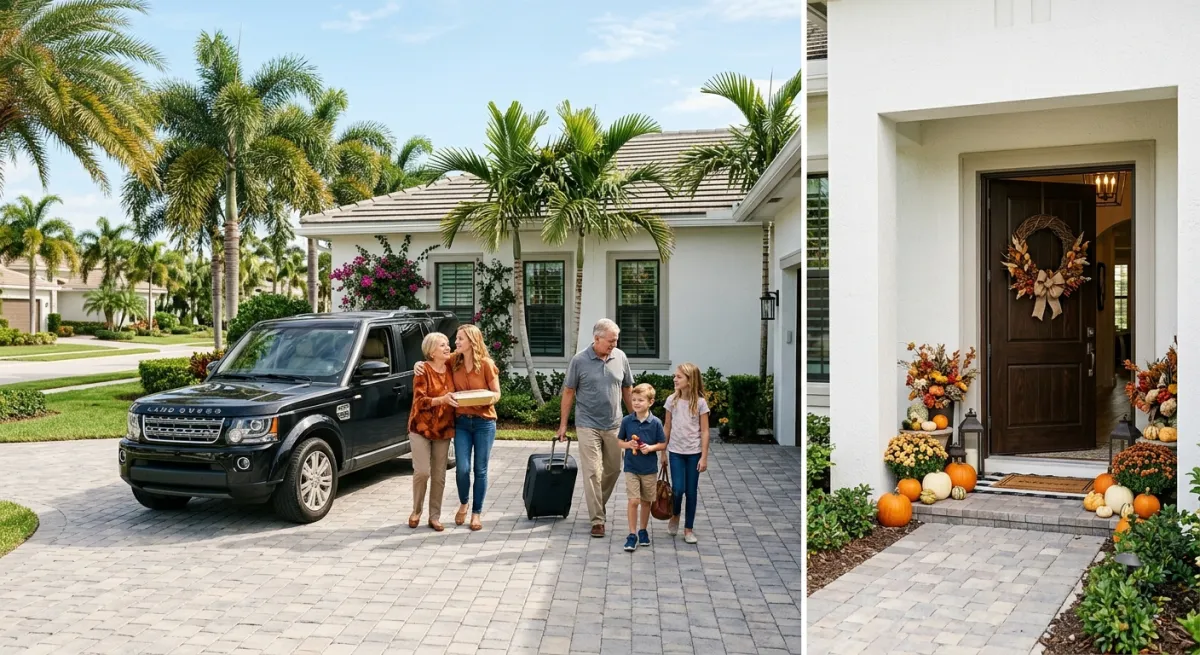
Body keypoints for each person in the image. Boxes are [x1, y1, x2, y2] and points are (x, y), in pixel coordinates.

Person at [556, 318, 634, 538]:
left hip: (615, 424)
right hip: (587, 423)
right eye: (610, 341)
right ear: (596, 338)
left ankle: (596, 503)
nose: (613, 345)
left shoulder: (621, 357)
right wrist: (563, 425)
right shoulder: (579, 361)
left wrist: (635, 419)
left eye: (616, 341)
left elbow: (628, 388)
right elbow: (569, 392)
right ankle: (597, 519)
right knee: (592, 472)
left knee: (614, 468)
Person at [449, 325, 501, 530]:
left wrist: (482, 398)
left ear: (472, 341)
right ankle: (464, 502)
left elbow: (496, 394)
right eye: (456, 339)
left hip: (484, 423)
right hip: (462, 422)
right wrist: (418, 363)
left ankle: (476, 513)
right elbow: (431, 361)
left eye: (460, 339)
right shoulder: (454, 361)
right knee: (462, 469)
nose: (456, 342)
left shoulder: (486, 365)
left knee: (480, 469)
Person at [407, 331, 457, 532]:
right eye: (442, 345)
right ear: (431, 351)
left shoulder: (451, 366)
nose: (448, 347)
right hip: (420, 427)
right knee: (422, 472)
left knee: (439, 475)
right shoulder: (422, 371)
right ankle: (416, 510)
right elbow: (420, 402)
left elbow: (471, 355)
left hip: (443, 429)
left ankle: (434, 516)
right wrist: (442, 400)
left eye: (448, 344)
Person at [661, 362, 710, 544]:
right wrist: (663, 452)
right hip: (675, 451)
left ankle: (688, 528)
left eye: (679, 377)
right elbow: (667, 426)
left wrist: (704, 457)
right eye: (675, 376)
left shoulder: (700, 403)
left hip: (694, 453)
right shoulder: (671, 400)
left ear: (690, 381)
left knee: (691, 491)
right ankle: (675, 515)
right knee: (678, 488)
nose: (675, 379)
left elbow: (705, 431)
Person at [617, 383, 666, 552]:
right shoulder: (627, 421)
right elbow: (619, 441)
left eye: (640, 400)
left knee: (646, 502)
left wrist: (650, 448)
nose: (636, 403)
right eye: (634, 400)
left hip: (649, 469)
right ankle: (632, 534)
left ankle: (643, 530)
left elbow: (663, 443)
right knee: (634, 500)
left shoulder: (656, 423)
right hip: (631, 467)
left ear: (650, 402)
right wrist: (627, 444)